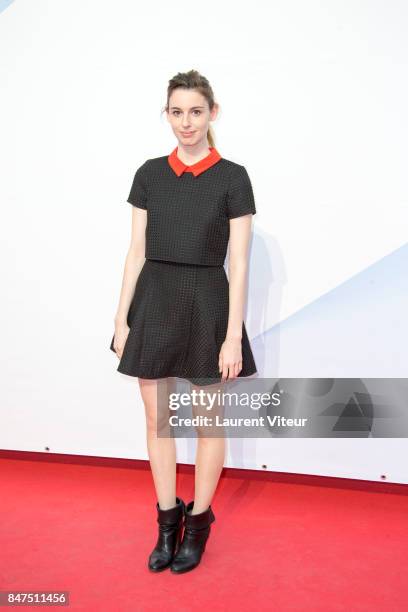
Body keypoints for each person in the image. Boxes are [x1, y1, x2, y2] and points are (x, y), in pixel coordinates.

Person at [109, 69, 257, 573]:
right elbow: (134, 252)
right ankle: (166, 522)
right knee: (157, 419)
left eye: (196, 111)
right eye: (177, 112)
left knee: (206, 421)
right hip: (154, 300)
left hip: (208, 304)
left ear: (212, 113)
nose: (186, 122)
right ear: (166, 115)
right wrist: (120, 318)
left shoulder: (233, 177)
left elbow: (238, 263)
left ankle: (198, 523)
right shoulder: (149, 173)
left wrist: (232, 335)